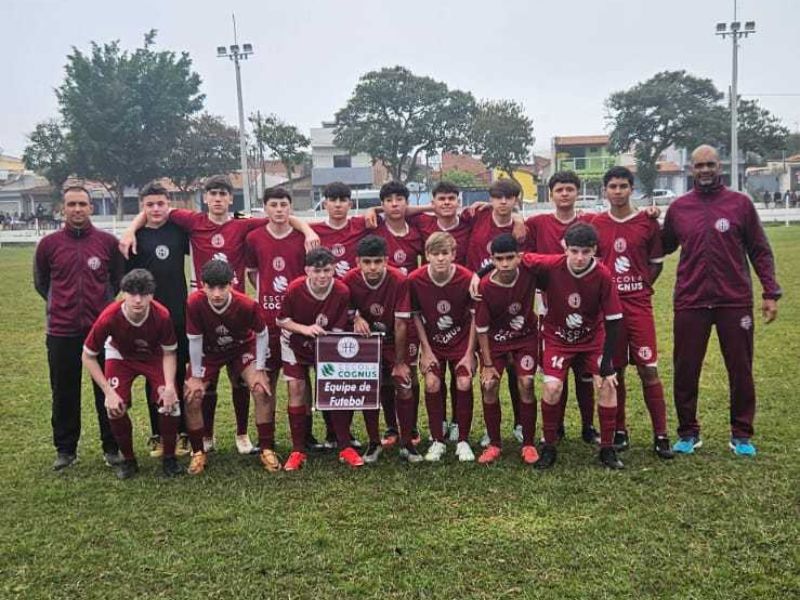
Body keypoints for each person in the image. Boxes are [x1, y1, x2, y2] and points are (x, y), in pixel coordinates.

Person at [120, 174, 317, 455]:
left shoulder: (243, 224)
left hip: (236, 310)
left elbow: (281, 218)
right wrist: (130, 230)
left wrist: (307, 231)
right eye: (212, 194)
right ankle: (207, 436)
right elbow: (156, 209)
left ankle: (242, 433)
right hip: (203, 311)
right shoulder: (193, 221)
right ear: (205, 198)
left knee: (239, 379)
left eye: (223, 195)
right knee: (203, 380)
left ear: (230, 199)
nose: (217, 199)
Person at [662, 145, 781, 457]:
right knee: (685, 368)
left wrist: (770, 292)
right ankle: (688, 432)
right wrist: (646, 221)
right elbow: (661, 246)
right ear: (691, 169)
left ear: (719, 166)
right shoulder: (679, 208)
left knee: (740, 368)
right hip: (691, 300)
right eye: (699, 165)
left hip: (734, 300)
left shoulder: (740, 204)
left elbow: (760, 250)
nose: (704, 170)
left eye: (710, 164)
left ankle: (741, 434)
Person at [34, 185, 122, 471]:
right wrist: (63, 304)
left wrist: (101, 309)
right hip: (62, 331)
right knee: (64, 391)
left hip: (101, 331)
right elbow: (42, 283)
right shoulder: (49, 245)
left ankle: (112, 447)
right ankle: (66, 449)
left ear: (91, 207)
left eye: (82, 204)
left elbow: (117, 279)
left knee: (106, 389)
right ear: (63, 208)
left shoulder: (107, 243)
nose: (77, 209)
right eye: (71, 204)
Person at [523, 222, 625, 470]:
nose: (580, 257)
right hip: (558, 339)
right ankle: (549, 446)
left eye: (586, 252)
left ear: (594, 251)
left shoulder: (602, 274)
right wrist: (478, 276)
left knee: (608, 385)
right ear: (564, 248)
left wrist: (607, 364)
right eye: (574, 251)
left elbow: (614, 321)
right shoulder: (550, 265)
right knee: (553, 387)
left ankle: (607, 449)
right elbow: (517, 258)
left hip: (592, 340)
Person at [592, 167, 673, 459]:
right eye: (612, 186)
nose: (617, 191)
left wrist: (641, 285)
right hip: (609, 309)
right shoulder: (596, 223)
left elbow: (657, 262)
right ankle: (619, 430)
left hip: (639, 306)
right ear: (605, 191)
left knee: (648, 369)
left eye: (623, 186)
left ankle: (661, 435)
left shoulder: (646, 222)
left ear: (631, 189)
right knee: (616, 371)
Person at [81, 269, 182, 479]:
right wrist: (108, 392)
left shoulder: (161, 315)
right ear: (123, 293)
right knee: (115, 409)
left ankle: (170, 458)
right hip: (121, 357)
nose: (138, 300)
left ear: (152, 295)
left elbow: (169, 352)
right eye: (132, 293)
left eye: (144, 294)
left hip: (154, 356)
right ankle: (128, 460)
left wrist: (170, 387)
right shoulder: (109, 317)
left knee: (169, 404)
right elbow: (88, 356)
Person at [525, 171, 598, 444]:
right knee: (557, 370)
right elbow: (527, 258)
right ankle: (557, 426)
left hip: (586, 305)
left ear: (577, 192)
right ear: (551, 193)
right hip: (550, 304)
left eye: (569, 189)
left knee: (585, 371)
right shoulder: (537, 223)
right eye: (559, 190)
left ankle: (588, 425)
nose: (565, 194)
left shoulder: (590, 222)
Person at [183, 260, 275, 475]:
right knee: (192, 394)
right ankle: (198, 452)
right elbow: (194, 339)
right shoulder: (194, 302)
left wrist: (260, 368)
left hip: (240, 347)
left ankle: (266, 448)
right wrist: (196, 376)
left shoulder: (246, 304)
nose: (216, 293)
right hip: (209, 350)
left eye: (222, 287)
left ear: (231, 284)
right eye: (210, 287)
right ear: (202, 285)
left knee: (261, 389)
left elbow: (262, 334)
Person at [124, 181, 190, 458]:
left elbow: (228, 220)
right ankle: (159, 434)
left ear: (169, 204)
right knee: (155, 376)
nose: (155, 209)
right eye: (149, 205)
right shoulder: (135, 238)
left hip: (179, 315)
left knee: (179, 374)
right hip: (148, 319)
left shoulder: (179, 231)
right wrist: (131, 228)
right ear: (142, 207)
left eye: (160, 203)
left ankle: (184, 432)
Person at [244, 187, 313, 448]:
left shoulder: (302, 238)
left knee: (301, 378)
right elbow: (252, 273)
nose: (279, 210)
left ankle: (305, 436)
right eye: (274, 205)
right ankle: (267, 441)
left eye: (284, 204)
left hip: (298, 320)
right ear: (266, 208)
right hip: (268, 320)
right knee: (268, 377)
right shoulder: (254, 238)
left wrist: (307, 230)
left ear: (290, 207)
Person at [276, 248, 357, 471]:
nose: (322, 276)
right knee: (296, 389)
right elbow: (282, 320)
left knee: (334, 386)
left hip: (326, 344)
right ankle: (298, 450)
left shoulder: (341, 291)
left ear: (334, 270)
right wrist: (305, 328)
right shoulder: (295, 289)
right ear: (307, 271)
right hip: (294, 344)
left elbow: (341, 327)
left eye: (327, 270)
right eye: (317, 271)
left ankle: (344, 446)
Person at [343, 235, 420, 463]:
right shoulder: (349, 280)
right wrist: (356, 316)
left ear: (387, 260)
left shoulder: (399, 280)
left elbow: (401, 323)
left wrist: (399, 362)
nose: (373, 267)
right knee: (370, 389)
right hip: (368, 342)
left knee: (404, 383)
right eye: (367, 262)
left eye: (378, 261)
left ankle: (407, 443)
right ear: (358, 261)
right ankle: (374, 443)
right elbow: (346, 310)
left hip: (396, 338)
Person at [408, 232, 477, 462]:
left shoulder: (466, 278)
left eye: (445, 253)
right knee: (431, 382)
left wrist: (470, 353)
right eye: (435, 254)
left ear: (453, 255)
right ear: (426, 255)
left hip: (461, 341)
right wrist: (425, 350)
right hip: (433, 342)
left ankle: (463, 441)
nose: (440, 258)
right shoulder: (415, 280)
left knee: (464, 380)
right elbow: (415, 315)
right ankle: (437, 439)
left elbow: (476, 317)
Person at [474, 234, 541, 465]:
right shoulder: (484, 286)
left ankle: (529, 443)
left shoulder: (530, 273)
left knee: (527, 383)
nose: (504, 264)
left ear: (519, 257)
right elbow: (481, 329)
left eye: (509, 258)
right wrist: (488, 364)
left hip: (525, 338)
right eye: (499, 258)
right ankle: (494, 443)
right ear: (491, 259)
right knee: (489, 385)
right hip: (496, 342)